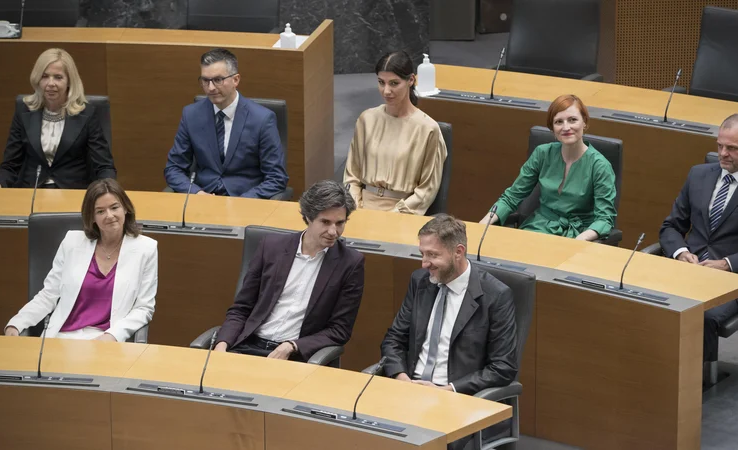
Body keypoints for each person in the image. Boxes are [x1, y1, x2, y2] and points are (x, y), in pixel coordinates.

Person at [659, 113, 738, 363]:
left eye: (732, 148)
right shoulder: (698, 175)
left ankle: (699, 380)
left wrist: (726, 263)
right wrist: (681, 252)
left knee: (700, 314)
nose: (723, 153)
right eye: (720, 146)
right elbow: (671, 226)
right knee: (644, 297)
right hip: (688, 269)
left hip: (733, 280)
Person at [214, 180, 365, 361]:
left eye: (340, 223)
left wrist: (291, 346)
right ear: (309, 217)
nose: (333, 231)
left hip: (295, 356)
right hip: (248, 345)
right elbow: (241, 308)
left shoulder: (350, 263)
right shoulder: (271, 247)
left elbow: (339, 330)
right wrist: (222, 345)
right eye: (325, 222)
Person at [4, 179, 157, 341]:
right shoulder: (72, 242)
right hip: (62, 338)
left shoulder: (146, 249)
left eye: (114, 207)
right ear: (91, 217)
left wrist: (113, 335)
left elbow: (144, 308)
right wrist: (17, 323)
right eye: (100, 211)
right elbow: (49, 294)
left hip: (105, 341)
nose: (109, 216)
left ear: (125, 208)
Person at [380, 214, 517, 395]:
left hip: (455, 397)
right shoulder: (420, 281)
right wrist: (401, 377)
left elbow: (503, 367)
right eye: (423, 254)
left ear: (458, 252)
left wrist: (448, 390)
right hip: (409, 388)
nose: (424, 264)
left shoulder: (496, 296)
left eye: (433, 255)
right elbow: (394, 339)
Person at [479, 94, 617, 240]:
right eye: (558, 122)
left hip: (579, 235)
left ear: (584, 122)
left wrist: (577, 243)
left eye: (572, 120)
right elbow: (512, 197)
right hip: (538, 228)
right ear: (552, 129)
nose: (566, 127)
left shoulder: (600, 166)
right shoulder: (542, 154)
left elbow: (605, 219)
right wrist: (483, 224)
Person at [164, 48, 289, 198]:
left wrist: (242, 201)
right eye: (205, 80)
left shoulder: (262, 119)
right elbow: (174, 168)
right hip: (203, 201)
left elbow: (276, 178)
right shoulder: (191, 115)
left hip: (245, 202)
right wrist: (196, 193)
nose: (210, 88)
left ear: (235, 80)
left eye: (218, 80)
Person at [0, 48, 116, 190]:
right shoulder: (24, 112)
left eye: (58, 77)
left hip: (72, 194)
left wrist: (109, 191)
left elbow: (104, 166)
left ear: (69, 81)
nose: (50, 83)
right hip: (31, 192)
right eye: (44, 76)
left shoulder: (87, 114)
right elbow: (10, 164)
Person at [343, 51, 447, 215]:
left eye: (393, 83)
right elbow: (352, 177)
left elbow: (426, 190)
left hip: (403, 211)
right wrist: (355, 208)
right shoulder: (366, 119)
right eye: (381, 82)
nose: (386, 91)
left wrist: (395, 214)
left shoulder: (428, 129)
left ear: (411, 80)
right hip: (360, 208)